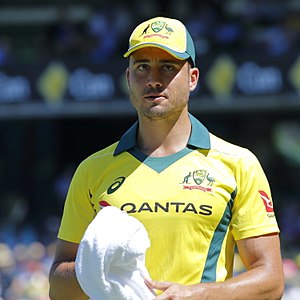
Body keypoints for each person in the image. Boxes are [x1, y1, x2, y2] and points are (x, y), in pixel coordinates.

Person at [49, 16, 285, 299]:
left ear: (193, 78)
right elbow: (57, 286)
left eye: (168, 67)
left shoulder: (239, 164)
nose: (153, 80)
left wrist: (196, 294)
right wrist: (95, 268)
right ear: (128, 78)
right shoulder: (92, 169)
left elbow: (271, 282)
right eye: (142, 67)